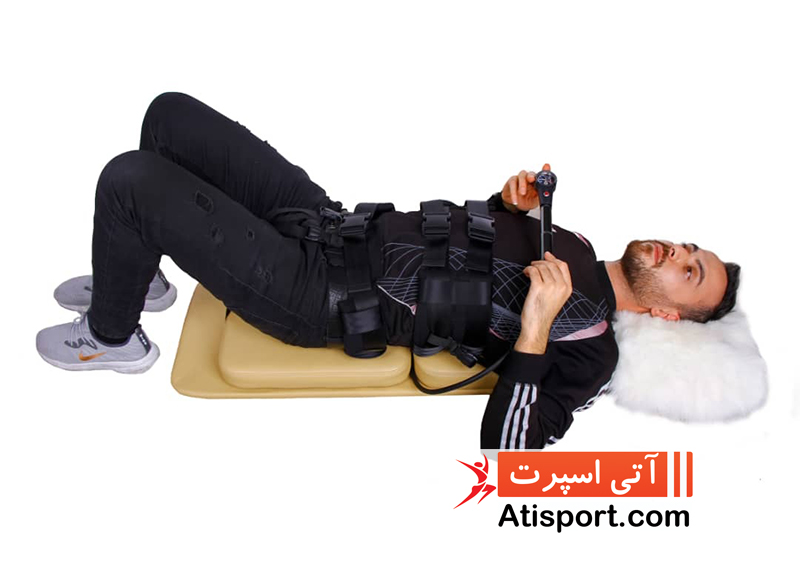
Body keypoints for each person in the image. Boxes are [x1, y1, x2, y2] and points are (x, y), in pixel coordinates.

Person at [36, 93, 740, 449]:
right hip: (333, 222)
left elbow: (509, 451)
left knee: (129, 181)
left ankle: (113, 337)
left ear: (666, 314)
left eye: (690, 273)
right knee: (169, 118)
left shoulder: (590, 349)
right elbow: (465, 257)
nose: (677, 254)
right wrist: (506, 205)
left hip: (322, 295)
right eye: (689, 249)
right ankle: (136, 277)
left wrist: (533, 330)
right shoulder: (578, 242)